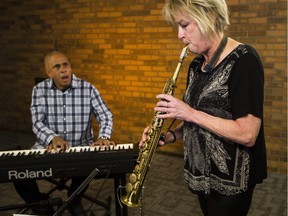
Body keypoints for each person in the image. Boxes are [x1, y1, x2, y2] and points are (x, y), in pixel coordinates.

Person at [139, 0, 267, 216]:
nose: (179, 35)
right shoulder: (197, 65)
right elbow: (196, 118)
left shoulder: (244, 61)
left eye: (184, 25)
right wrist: (169, 135)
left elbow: (247, 134)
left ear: (210, 17)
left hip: (232, 181)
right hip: (201, 174)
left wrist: (189, 112)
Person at [14, 51, 114, 216]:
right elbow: (37, 123)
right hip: (48, 147)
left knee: (91, 162)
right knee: (18, 170)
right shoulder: (39, 90)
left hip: (81, 147)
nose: (63, 70)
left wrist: (103, 137)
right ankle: (41, 205)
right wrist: (53, 138)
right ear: (49, 72)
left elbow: (105, 115)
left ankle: (74, 200)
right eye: (57, 66)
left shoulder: (87, 88)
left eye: (66, 65)